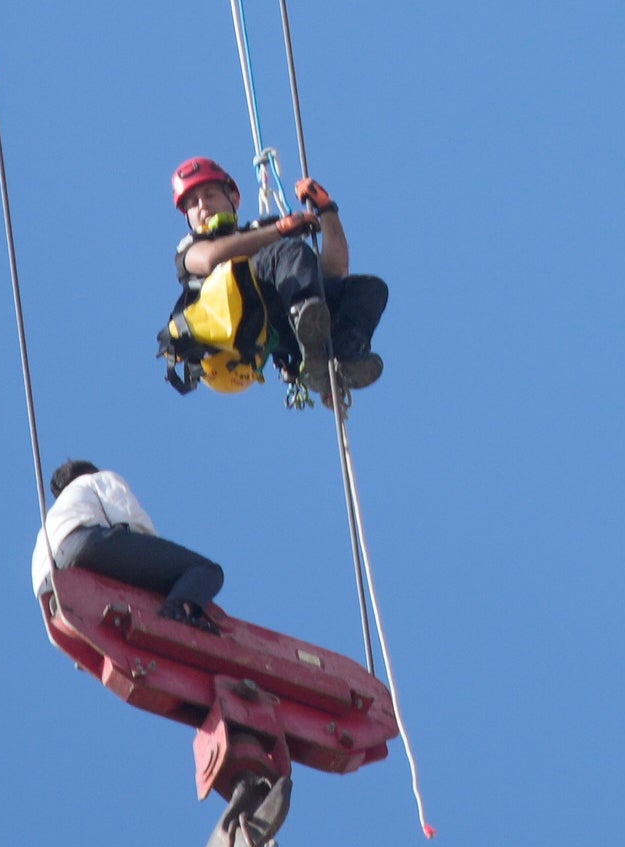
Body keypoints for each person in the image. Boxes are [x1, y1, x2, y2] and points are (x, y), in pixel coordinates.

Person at [157, 157, 388, 401]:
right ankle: (307, 319)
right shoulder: (190, 249)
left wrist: (327, 209)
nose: (202, 206)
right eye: (193, 203)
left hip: (281, 318)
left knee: (369, 288)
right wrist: (279, 231)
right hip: (246, 321)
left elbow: (334, 269)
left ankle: (341, 353)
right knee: (290, 252)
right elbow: (209, 260)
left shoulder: (263, 234)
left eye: (210, 194)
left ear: (234, 198)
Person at [29, 459, 226, 632]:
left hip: (49, 583)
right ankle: (176, 613)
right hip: (86, 544)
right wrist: (159, 563)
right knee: (205, 570)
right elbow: (131, 517)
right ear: (91, 470)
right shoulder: (97, 479)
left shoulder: (49, 522)